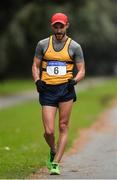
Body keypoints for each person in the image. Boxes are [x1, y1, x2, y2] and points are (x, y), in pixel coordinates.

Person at [32, 12, 85, 175]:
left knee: (63, 126)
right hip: (47, 89)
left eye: (61, 25)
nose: (59, 29)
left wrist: (74, 81)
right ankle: (53, 149)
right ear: (52, 26)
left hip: (65, 90)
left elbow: (82, 69)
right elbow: (35, 65)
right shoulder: (42, 44)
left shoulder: (75, 46)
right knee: (49, 131)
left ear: (67, 25)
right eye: (56, 25)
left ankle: (55, 163)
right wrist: (37, 80)